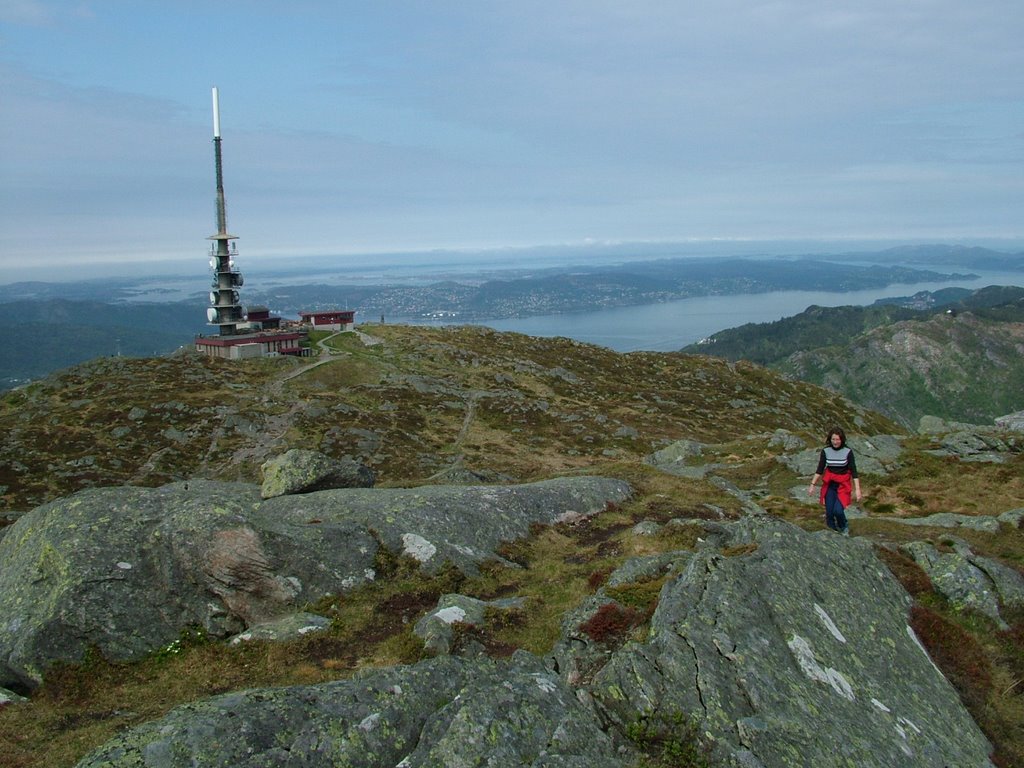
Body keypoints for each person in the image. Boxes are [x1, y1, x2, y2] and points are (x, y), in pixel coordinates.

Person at [807, 427, 862, 535]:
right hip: (830, 485)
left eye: (837, 439)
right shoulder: (825, 451)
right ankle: (832, 532)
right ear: (830, 439)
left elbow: (854, 471)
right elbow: (820, 469)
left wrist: (858, 490)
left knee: (838, 510)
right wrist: (812, 485)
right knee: (829, 512)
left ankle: (843, 526)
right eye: (833, 439)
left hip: (843, 485)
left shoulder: (848, 452)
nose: (835, 442)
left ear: (842, 440)